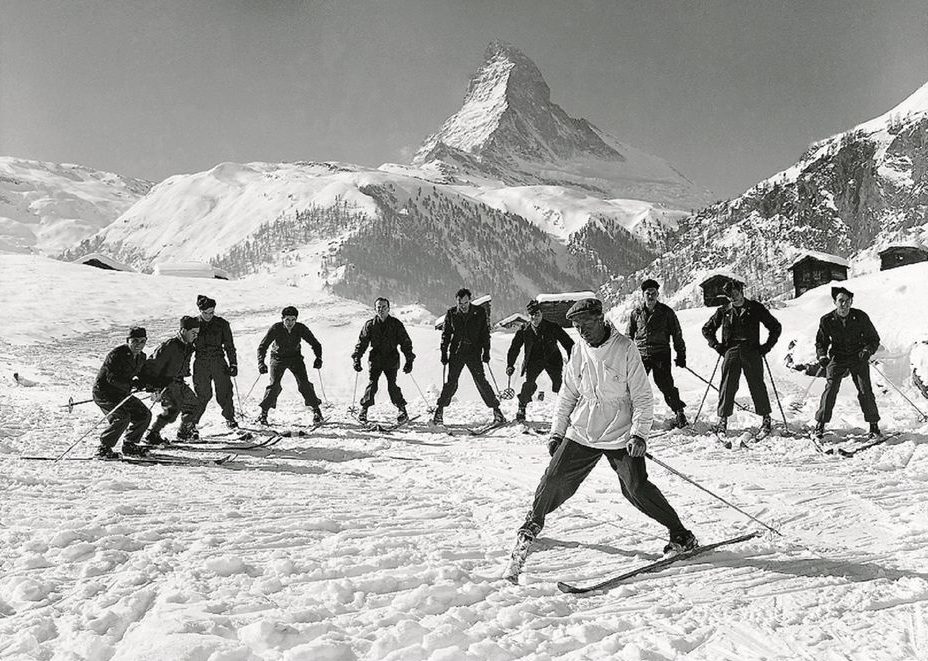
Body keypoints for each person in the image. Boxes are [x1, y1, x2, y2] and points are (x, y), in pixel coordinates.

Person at [507, 298, 696, 573]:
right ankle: (533, 522)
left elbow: (643, 397)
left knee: (636, 488)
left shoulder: (625, 349)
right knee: (554, 478)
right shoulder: (579, 350)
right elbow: (568, 393)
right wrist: (557, 432)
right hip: (583, 429)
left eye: (585, 325)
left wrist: (639, 435)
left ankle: (681, 535)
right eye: (576, 327)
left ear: (600, 319)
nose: (581, 332)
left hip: (621, 433)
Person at [701, 280, 781, 435]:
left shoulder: (755, 308)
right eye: (730, 296)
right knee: (727, 385)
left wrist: (766, 347)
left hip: (751, 350)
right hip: (731, 350)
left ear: (741, 291)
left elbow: (775, 327)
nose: (733, 298)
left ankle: (765, 418)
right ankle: (723, 419)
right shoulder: (724, 311)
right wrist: (716, 345)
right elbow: (707, 329)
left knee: (757, 384)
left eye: (736, 294)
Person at [813, 286, 882, 439]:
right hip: (838, 357)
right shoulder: (826, 320)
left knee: (865, 390)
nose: (844, 305)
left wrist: (867, 350)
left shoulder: (860, 317)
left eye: (847, 301)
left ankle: (873, 425)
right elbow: (821, 343)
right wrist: (822, 356)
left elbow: (874, 339)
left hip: (857, 356)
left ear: (851, 302)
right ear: (834, 302)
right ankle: (820, 424)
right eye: (841, 301)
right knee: (831, 389)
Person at [431, 288, 505, 426]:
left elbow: (484, 334)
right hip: (457, 352)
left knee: (481, 381)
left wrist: (486, 352)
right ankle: (439, 410)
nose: (463, 305)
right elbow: (446, 335)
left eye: (465, 302)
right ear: (456, 301)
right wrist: (443, 352)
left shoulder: (479, 312)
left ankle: (497, 411)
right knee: (451, 382)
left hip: (473, 352)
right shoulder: (451, 313)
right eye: (460, 303)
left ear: (469, 300)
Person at [627, 279, 688, 428]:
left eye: (653, 293)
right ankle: (628, 417)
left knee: (666, 385)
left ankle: (679, 413)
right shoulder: (636, 313)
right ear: (643, 295)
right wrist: (626, 355)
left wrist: (681, 355)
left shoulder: (666, 312)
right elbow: (629, 335)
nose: (650, 296)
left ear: (658, 294)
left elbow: (677, 334)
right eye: (648, 293)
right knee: (634, 386)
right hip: (641, 355)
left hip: (661, 353)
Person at [505, 300, 574, 422]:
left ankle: (566, 411)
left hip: (552, 358)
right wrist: (510, 364)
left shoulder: (552, 327)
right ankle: (521, 408)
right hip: (533, 360)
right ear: (528, 316)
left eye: (537, 314)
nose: (534, 318)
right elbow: (514, 348)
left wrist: (572, 359)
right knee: (529, 384)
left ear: (542, 314)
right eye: (532, 315)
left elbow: (568, 343)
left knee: (558, 384)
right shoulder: (524, 330)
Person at [256, 306, 324, 425]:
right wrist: (261, 362)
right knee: (274, 385)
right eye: (287, 320)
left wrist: (318, 358)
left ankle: (316, 411)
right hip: (278, 358)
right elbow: (263, 346)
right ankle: (263, 414)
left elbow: (315, 343)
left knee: (304, 384)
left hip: (295, 358)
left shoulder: (300, 328)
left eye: (293, 320)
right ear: (282, 319)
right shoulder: (276, 328)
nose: (290, 323)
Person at [351, 297, 415, 423]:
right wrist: (357, 358)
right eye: (378, 307)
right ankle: (364, 409)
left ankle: (402, 409)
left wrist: (409, 360)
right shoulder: (370, 325)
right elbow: (362, 343)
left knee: (392, 385)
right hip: (376, 358)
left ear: (389, 309)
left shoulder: (396, 324)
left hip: (391, 358)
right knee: (372, 383)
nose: (381, 310)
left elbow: (405, 342)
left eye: (384, 307)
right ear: (375, 309)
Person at [139, 316, 201, 444]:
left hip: (179, 381)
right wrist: (151, 384)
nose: (195, 336)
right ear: (184, 330)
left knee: (193, 404)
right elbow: (152, 364)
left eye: (197, 333)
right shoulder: (170, 345)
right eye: (193, 333)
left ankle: (184, 433)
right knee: (172, 410)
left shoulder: (189, 345)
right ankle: (152, 434)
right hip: (166, 383)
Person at [92, 326, 152, 458]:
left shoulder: (141, 357)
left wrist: (147, 384)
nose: (139, 344)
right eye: (135, 341)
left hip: (122, 393)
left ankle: (130, 444)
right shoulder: (117, 355)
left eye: (142, 341)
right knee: (122, 417)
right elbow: (111, 378)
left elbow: (143, 375)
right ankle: (103, 448)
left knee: (144, 414)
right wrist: (131, 385)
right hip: (104, 393)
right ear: (128, 340)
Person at [192, 295, 239, 429]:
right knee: (203, 394)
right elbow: (187, 347)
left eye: (211, 312)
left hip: (218, 362)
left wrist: (233, 364)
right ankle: (192, 422)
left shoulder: (222, 324)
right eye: (205, 313)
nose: (208, 315)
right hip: (201, 363)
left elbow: (229, 346)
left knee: (224, 391)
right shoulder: (194, 324)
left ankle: (230, 418)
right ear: (200, 311)